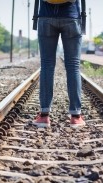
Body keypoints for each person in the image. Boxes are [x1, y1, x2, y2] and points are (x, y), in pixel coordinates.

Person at [32, 0, 86, 128]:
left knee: (46, 65)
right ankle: (76, 117)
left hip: (46, 16)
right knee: (73, 66)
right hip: (71, 16)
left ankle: (44, 116)